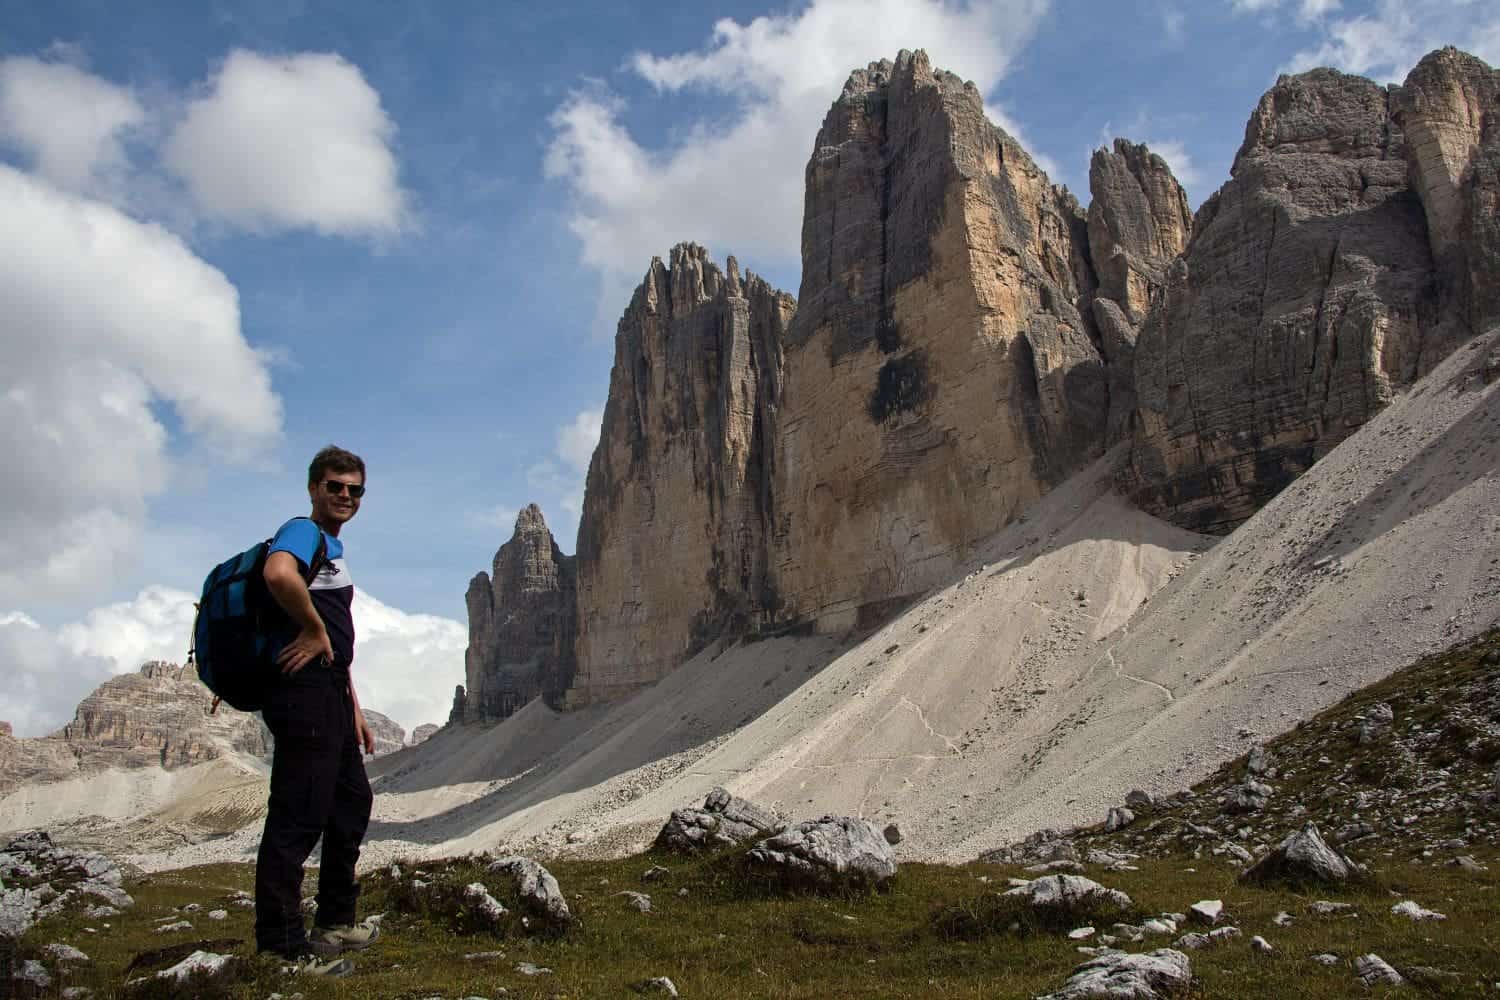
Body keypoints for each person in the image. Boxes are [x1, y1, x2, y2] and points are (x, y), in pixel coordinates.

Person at [253, 445, 379, 977]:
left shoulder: (332, 547)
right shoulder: (302, 532)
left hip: (329, 693)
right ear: (314, 489)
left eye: (355, 490)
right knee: (298, 812)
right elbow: (278, 575)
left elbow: (335, 640)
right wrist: (311, 628)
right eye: (335, 486)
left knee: (351, 799)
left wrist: (352, 707)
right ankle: (281, 949)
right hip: (301, 692)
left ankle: (334, 922)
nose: (345, 496)